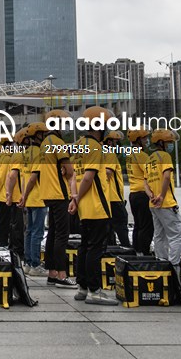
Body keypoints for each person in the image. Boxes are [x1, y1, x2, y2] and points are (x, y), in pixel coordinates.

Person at [69, 106, 118, 306]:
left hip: (83, 209)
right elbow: (88, 178)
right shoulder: (96, 147)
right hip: (97, 206)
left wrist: (74, 199)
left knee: (84, 247)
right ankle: (95, 291)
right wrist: (78, 198)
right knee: (95, 250)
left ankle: (82, 288)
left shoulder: (80, 145)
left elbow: (74, 176)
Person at [39, 110, 78, 288]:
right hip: (59, 193)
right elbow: (69, 170)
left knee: (53, 234)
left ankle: (52, 273)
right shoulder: (58, 142)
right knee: (62, 235)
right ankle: (62, 275)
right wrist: (66, 172)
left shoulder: (44, 143)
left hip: (47, 193)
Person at [146, 128, 181, 272]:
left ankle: (161, 262)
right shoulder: (164, 157)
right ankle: (174, 265)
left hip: (153, 203)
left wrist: (151, 194)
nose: (171, 145)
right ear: (161, 142)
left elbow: (145, 182)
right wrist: (162, 196)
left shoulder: (150, 158)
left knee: (159, 235)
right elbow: (167, 177)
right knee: (177, 235)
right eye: (169, 142)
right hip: (166, 202)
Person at [17, 123, 49, 276]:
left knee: (29, 231)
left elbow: (24, 178)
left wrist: (23, 195)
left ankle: (28, 263)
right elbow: (33, 177)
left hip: (29, 198)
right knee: (37, 232)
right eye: (43, 134)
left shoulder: (26, 152)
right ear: (38, 135)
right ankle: (35, 264)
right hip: (38, 197)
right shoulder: (39, 152)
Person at [125, 129, 154, 256]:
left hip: (133, 193)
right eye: (144, 138)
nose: (146, 141)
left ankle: (136, 250)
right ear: (138, 140)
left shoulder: (130, 154)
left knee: (138, 225)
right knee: (147, 226)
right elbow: (150, 174)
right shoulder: (141, 155)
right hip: (143, 193)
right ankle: (144, 252)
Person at [0, 130, 26, 260]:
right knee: (18, 227)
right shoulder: (17, 156)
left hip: (13, 196)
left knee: (12, 224)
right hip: (18, 196)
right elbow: (10, 175)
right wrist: (6, 193)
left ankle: (13, 248)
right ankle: (17, 252)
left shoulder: (10, 155)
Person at [102, 130, 130, 248]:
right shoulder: (109, 154)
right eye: (116, 142)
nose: (118, 145)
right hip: (114, 198)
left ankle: (110, 250)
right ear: (109, 142)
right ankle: (127, 250)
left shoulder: (99, 153)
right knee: (121, 226)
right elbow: (108, 172)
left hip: (105, 198)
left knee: (107, 229)